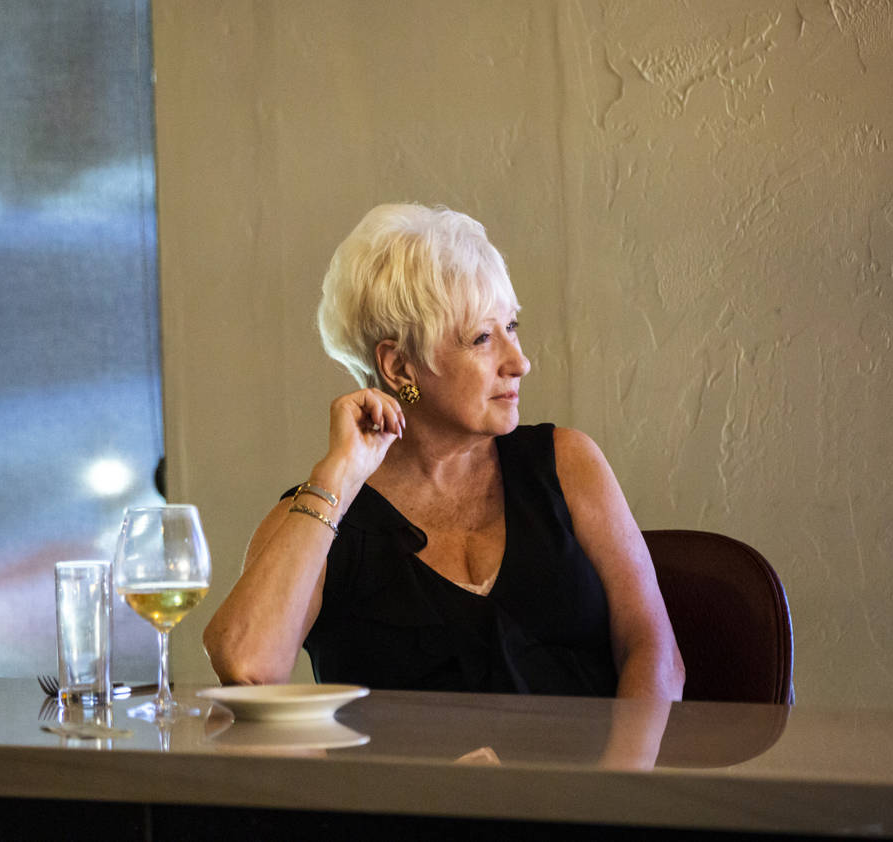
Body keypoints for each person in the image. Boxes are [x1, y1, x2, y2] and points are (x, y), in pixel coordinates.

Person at [203, 203, 684, 699]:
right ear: (399, 366)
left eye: (511, 328)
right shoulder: (322, 513)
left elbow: (655, 655)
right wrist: (336, 479)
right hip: (411, 781)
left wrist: (612, 779)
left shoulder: (567, 462)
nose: (519, 362)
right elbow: (246, 668)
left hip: (589, 776)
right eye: (481, 338)